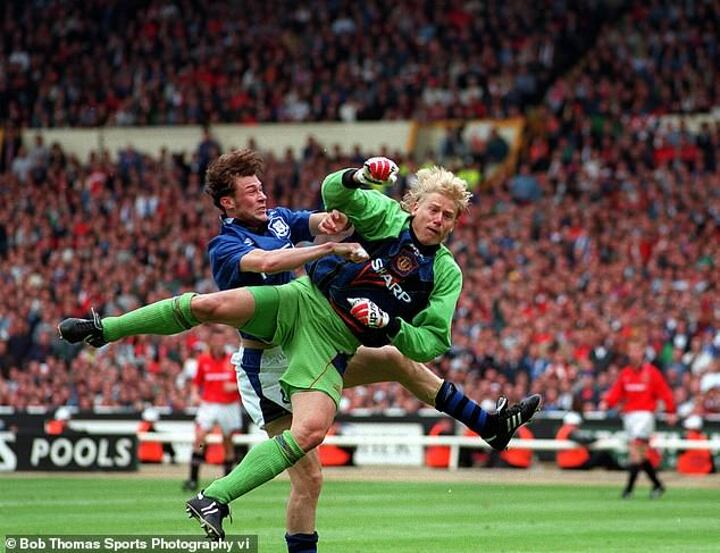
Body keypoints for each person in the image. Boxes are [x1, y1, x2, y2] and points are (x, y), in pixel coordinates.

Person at [59, 155, 542, 541]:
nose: (438, 219)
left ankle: (489, 426)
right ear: (414, 205)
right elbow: (317, 212)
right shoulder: (228, 244)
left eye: (448, 215)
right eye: (433, 208)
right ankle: (106, 329)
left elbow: (431, 340)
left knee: (329, 441)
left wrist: (390, 322)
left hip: (326, 345)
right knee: (209, 304)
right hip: (279, 337)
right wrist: (358, 178)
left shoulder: (443, 271)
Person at [601, 336, 677, 499]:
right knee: (641, 456)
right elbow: (616, 392)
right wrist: (607, 402)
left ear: (642, 352)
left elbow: (665, 392)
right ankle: (657, 485)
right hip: (630, 417)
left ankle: (628, 490)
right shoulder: (625, 373)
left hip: (644, 416)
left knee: (634, 451)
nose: (633, 353)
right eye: (631, 350)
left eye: (636, 350)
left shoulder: (652, 373)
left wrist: (671, 411)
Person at [183, 325, 242, 491]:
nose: (218, 343)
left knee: (227, 442)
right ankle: (193, 479)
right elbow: (196, 382)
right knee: (199, 437)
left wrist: (234, 386)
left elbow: (243, 382)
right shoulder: (204, 360)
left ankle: (227, 482)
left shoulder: (232, 360)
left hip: (229, 405)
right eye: (216, 340)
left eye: (221, 340)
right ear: (211, 342)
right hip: (209, 404)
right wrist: (195, 394)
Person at [555, 412, 621, 471]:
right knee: (603, 454)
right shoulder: (570, 430)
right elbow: (585, 440)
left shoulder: (562, 430)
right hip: (576, 464)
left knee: (596, 454)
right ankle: (617, 468)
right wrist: (598, 438)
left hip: (564, 464)